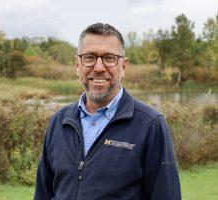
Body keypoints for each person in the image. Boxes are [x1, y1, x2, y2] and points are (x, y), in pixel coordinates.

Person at [34, 23, 181, 200]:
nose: (98, 67)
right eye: (89, 57)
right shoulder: (59, 122)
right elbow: (43, 193)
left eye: (109, 58)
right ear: (77, 64)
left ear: (124, 66)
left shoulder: (150, 124)